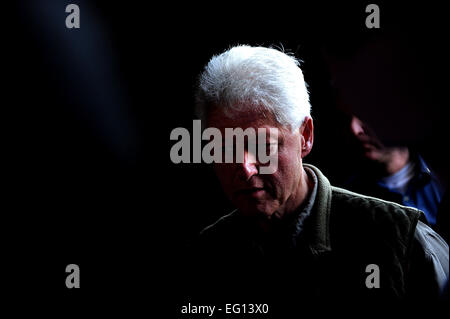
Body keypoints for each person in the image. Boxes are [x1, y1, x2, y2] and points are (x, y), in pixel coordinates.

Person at [188, 45, 448, 306]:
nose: (244, 168)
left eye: (263, 146)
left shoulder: (403, 242)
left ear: (305, 136)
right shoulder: (207, 254)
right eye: (225, 148)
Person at [344, 115, 444, 230]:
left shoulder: (442, 178)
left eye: (363, 121)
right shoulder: (350, 195)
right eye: (349, 125)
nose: (357, 132)